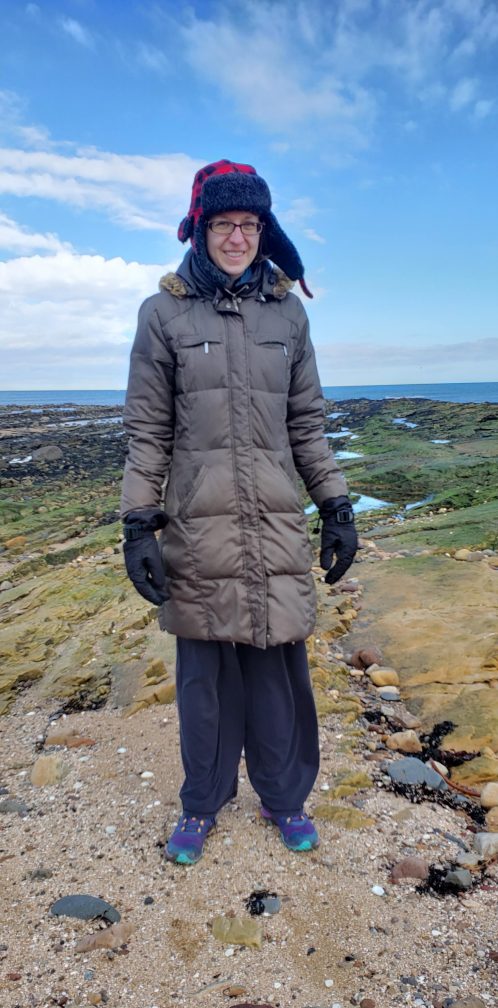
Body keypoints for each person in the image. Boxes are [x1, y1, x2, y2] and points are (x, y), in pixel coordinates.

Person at [121, 159, 358, 866]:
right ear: (199, 229)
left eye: (248, 225)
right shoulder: (162, 313)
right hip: (197, 528)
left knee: (278, 678)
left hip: (276, 526)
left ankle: (284, 799)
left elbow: (308, 425)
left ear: (264, 230)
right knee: (203, 684)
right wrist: (138, 524)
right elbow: (148, 431)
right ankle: (201, 805)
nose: (235, 238)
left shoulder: (289, 311)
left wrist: (337, 505)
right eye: (222, 224)